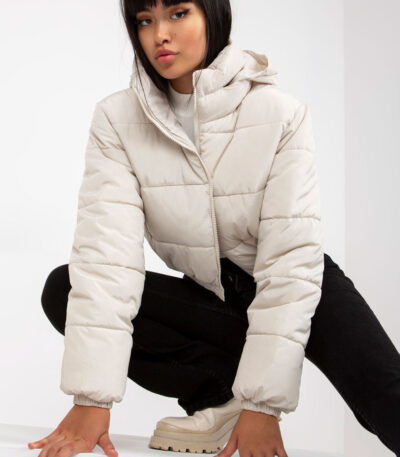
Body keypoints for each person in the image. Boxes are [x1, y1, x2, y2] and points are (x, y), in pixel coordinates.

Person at [28, 1, 400, 457]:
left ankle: (247, 397)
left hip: (296, 281)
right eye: (144, 21)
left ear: (212, 14)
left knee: (387, 397)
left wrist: (262, 406)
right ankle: (217, 396)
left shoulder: (280, 113)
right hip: (214, 296)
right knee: (65, 289)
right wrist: (90, 400)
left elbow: (290, 260)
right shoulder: (117, 120)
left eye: (178, 13)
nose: (159, 34)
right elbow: (107, 258)